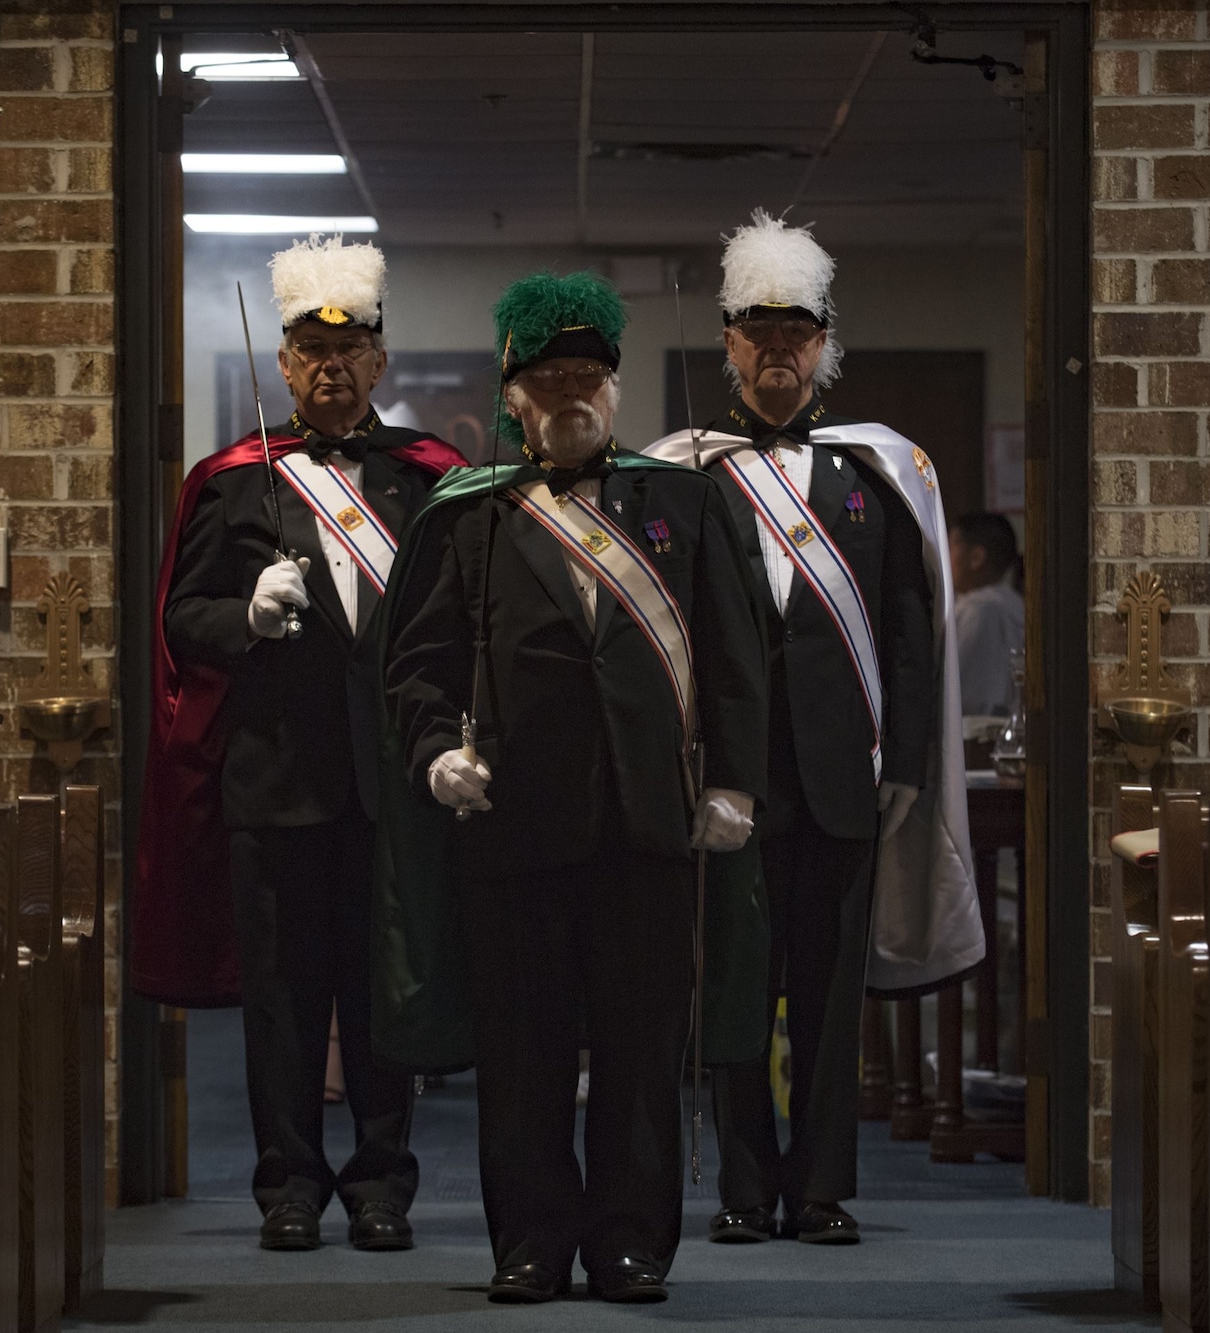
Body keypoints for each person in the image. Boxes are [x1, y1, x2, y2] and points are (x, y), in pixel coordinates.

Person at [376, 271, 769, 1304]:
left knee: (643, 1051)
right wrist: (432, 753)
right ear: (512, 396)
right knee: (522, 1049)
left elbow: (736, 656)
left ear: (616, 385)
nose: (570, 394)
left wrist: (731, 783)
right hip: (511, 822)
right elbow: (413, 665)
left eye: (587, 375)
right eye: (548, 379)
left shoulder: (685, 502)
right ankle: (532, 1244)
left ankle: (631, 1243)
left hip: (652, 821)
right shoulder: (467, 514)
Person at [646, 210, 985, 1247]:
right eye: (758, 333)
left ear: (824, 345)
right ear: (730, 345)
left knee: (833, 1005)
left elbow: (910, 636)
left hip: (847, 780)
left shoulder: (874, 479)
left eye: (796, 333)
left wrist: (912, 768)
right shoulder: (686, 476)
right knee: (739, 991)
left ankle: (823, 1188)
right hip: (732, 785)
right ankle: (745, 1189)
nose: (777, 351)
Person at [131, 236, 466, 1253]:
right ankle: (286, 1186)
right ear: (283, 363)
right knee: (280, 1002)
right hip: (272, 781)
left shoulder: (430, 480)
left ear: (378, 360)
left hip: (391, 782)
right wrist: (247, 614)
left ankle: (380, 1183)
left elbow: (460, 622)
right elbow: (176, 616)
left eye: (351, 348)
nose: (330, 367)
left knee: (380, 991)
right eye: (310, 352)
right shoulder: (232, 482)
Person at [949, 512, 1025, 718]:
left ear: (976, 558)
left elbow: (962, 695)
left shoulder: (980, 610)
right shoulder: (1014, 603)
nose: (945, 557)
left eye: (951, 546)